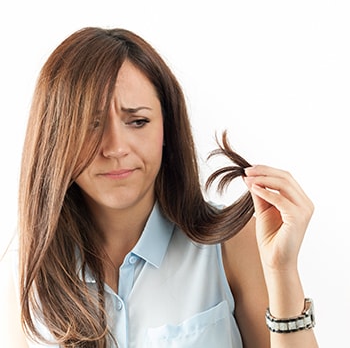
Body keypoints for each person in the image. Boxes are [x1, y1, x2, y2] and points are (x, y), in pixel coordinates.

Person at [0, 27, 319, 347]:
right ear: (56, 137)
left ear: (167, 128)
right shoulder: (27, 269)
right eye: (90, 124)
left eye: (137, 121)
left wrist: (281, 269)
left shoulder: (231, 244)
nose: (115, 148)